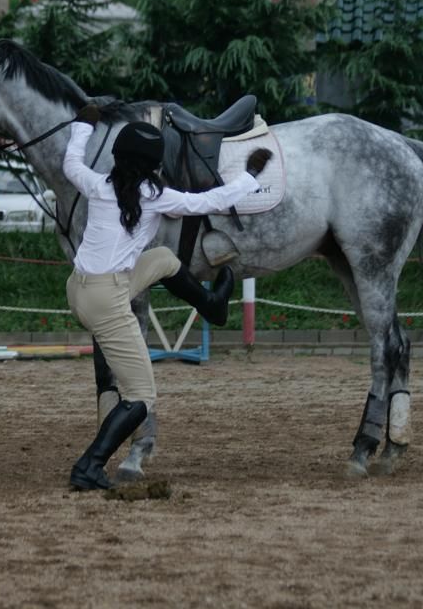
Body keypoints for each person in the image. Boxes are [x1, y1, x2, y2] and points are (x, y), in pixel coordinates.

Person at [64, 104, 273, 490]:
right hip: (107, 301)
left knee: (161, 258)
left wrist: (83, 124)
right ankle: (88, 466)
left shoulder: (96, 184)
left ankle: (210, 305)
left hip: (79, 288)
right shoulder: (156, 196)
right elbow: (209, 202)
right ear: (153, 164)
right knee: (141, 395)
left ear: (116, 157)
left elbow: (71, 162)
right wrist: (250, 176)